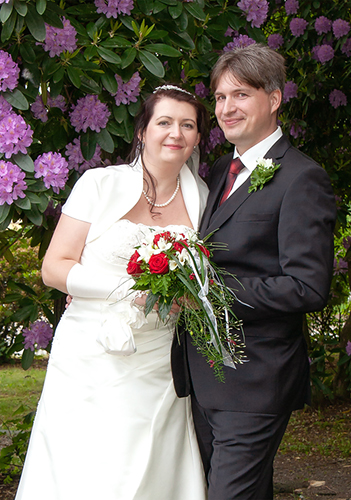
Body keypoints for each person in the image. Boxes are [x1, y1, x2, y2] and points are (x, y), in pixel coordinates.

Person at [15, 85, 210, 500]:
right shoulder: (98, 184)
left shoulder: (203, 198)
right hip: (89, 353)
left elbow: (203, 279)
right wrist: (130, 291)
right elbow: (54, 267)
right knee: (87, 465)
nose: (175, 132)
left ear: (196, 139)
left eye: (187, 125)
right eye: (164, 122)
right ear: (142, 130)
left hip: (159, 359)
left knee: (148, 467)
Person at [171, 44, 337, 499]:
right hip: (204, 378)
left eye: (240, 95)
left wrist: (207, 293)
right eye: (221, 97)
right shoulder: (222, 169)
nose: (226, 108)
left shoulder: (302, 178)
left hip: (255, 381)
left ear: (275, 98)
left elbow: (306, 287)